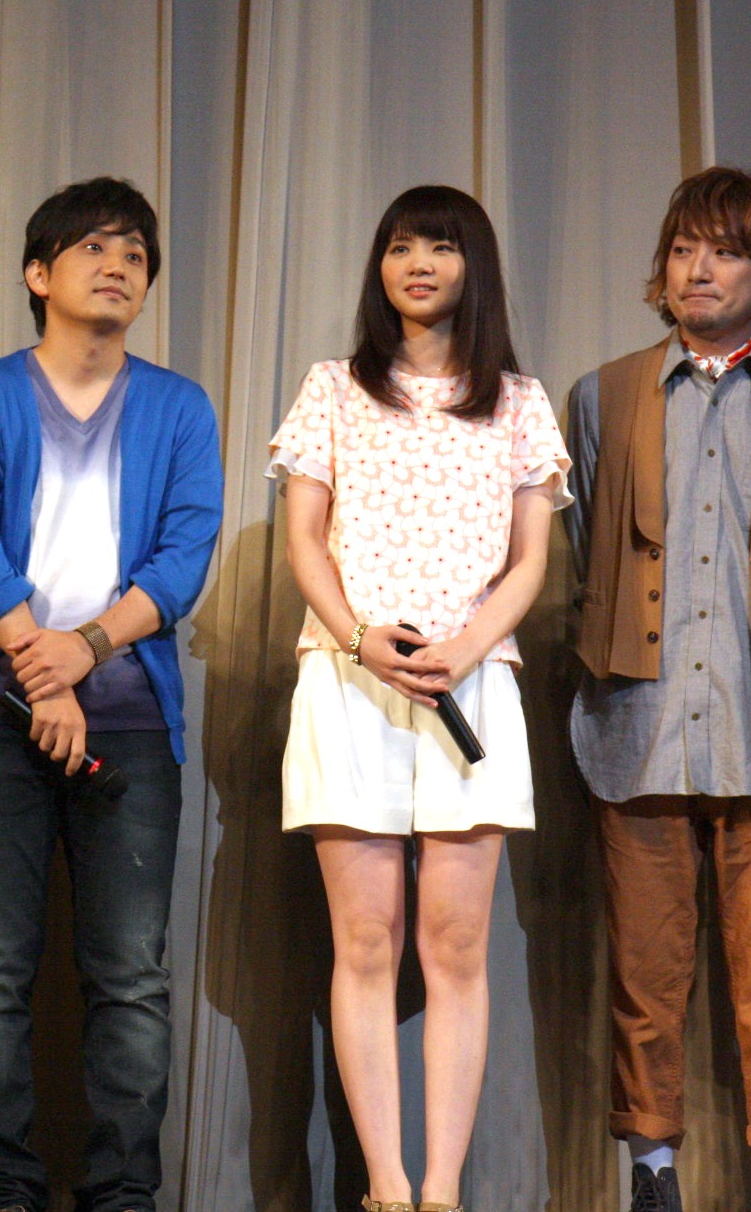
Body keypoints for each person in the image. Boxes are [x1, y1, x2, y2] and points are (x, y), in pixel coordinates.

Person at [564, 166, 751, 1212]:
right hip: (636, 726)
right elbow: (584, 548)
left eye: (726, 250)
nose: (698, 268)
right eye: (684, 248)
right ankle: (651, 1175)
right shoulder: (601, 396)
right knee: (644, 976)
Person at [268, 185, 570, 1212]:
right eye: (401, 246)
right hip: (348, 680)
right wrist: (362, 641)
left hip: (470, 686)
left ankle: (442, 1190)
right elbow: (304, 538)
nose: (419, 264)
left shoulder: (519, 401)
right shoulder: (333, 389)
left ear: (472, 265)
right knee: (364, 943)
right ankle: (386, 1190)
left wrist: (465, 648)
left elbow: (531, 561)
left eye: (440, 247)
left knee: (455, 947)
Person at [0, 177, 222, 1212]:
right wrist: (39, 669)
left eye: (135, 253)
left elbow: (184, 557)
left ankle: (122, 1194)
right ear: (38, 273)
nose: (118, 265)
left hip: (130, 722)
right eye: (93, 247)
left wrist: (83, 651)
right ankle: (1, 1190)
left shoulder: (180, 407)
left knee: (132, 977)